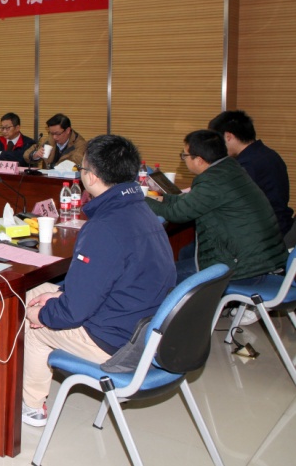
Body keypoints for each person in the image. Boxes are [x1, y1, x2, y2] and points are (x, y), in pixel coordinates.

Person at [22, 134, 175, 427]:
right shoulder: (141, 210)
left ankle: (32, 407)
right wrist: (56, 295)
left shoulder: (104, 227)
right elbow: (104, 281)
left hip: (116, 343)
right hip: (142, 324)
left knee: (32, 321)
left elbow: (73, 312)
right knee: (37, 292)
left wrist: (43, 314)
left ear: (91, 177)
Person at [146, 129, 287, 282]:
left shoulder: (213, 182)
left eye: (184, 155)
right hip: (261, 260)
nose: (183, 160)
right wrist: (158, 198)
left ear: (199, 160)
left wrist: (139, 198)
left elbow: (176, 213)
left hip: (245, 269)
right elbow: (188, 202)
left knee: (161, 277)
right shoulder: (229, 170)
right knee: (180, 259)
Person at [208, 110, 293, 238]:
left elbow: (224, 201)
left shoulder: (247, 164)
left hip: (263, 233)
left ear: (228, 136)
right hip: (278, 225)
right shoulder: (266, 154)